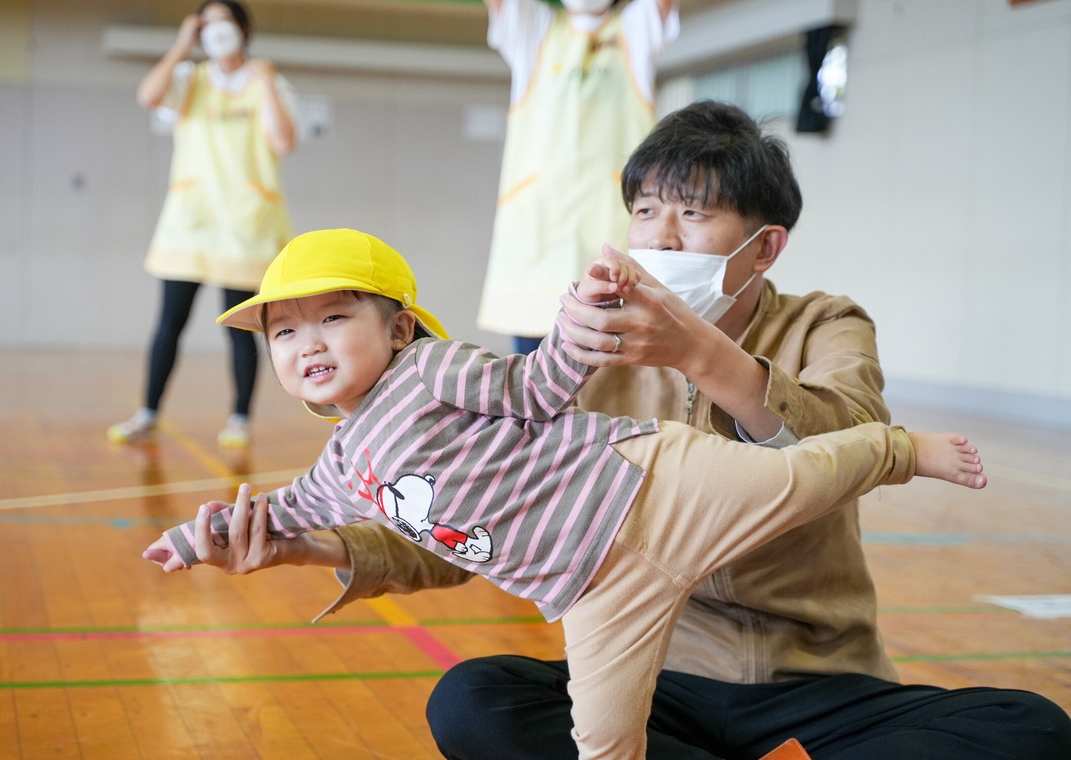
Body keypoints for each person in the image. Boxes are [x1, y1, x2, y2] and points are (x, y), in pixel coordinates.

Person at [181, 103, 1071, 758]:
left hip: (820, 675)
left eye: (693, 213)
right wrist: (314, 546)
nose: (662, 236)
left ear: (764, 246)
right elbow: (471, 518)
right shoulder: (595, 343)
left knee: (1028, 730)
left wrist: (705, 356)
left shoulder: (827, 322)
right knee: (474, 699)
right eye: (645, 212)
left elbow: (852, 436)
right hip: (659, 663)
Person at [108, 0, 298, 448]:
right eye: (206, 24)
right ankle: (148, 412)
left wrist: (266, 81)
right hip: (191, 222)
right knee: (169, 323)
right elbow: (148, 97)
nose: (216, 30)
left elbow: (284, 141)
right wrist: (181, 46)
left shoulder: (268, 81)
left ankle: (240, 419)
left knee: (240, 329)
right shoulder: (189, 78)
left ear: (244, 29)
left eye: (224, 21)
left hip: (247, 226)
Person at [476, 0, 679, 353]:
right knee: (535, 369)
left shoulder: (634, 29)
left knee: (610, 358)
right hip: (538, 233)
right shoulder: (535, 31)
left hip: (610, 228)